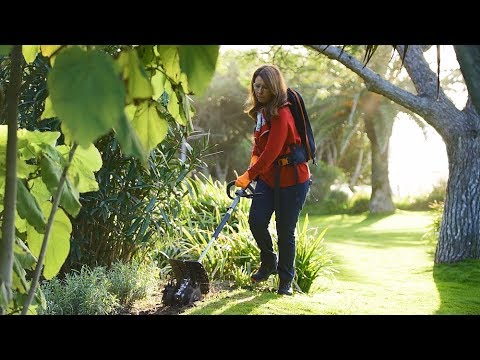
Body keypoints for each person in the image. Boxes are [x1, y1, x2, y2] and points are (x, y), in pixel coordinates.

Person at [235, 64, 311, 296]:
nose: (258, 91)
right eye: (256, 86)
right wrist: (251, 170)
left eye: (264, 87)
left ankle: (285, 282)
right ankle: (269, 262)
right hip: (269, 177)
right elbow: (259, 149)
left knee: (285, 230)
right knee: (257, 220)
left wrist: (249, 175)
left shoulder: (283, 114)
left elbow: (272, 151)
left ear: (274, 88)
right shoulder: (261, 113)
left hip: (294, 179)